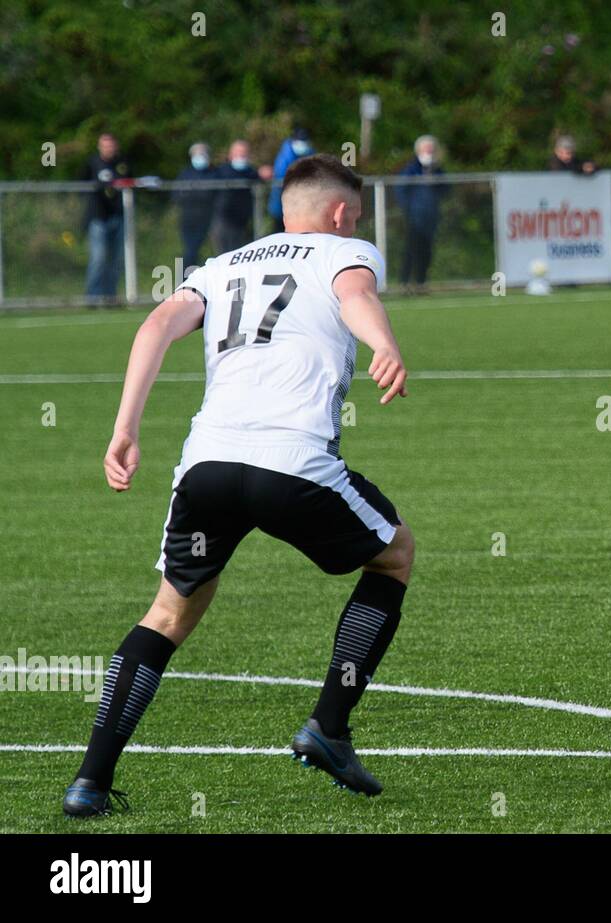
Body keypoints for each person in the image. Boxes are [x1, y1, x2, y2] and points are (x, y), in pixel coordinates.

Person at [62, 154, 414, 817]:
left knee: (168, 612)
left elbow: (155, 325)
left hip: (208, 465)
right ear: (340, 215)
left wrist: (125, 428)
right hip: (293, 461)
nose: (357, 225)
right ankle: (328, 728)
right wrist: (383, 343)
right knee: (394, 554)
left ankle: (89, 781)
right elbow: (356, 296)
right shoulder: (343, 250)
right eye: (356, 216)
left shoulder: (223, 264)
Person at [81, 133, 130, 301]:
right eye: (105, 145)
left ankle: (110, 296)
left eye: (111, 145)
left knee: (116, 258)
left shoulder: (122, 162)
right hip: (98, 217)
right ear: (99, 147)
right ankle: (93, 296)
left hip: (118, 216)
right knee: (99, 257)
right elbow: (82, 184)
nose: (109, 148)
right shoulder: (92, 162)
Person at [394, 135, 445, 286]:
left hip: (431, 216)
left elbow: (446, 188)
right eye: (426, 148)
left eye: (431, 149)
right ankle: (404, 282)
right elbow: (401, 190)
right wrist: (408, 208)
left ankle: (421, 282)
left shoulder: (437, 170)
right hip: (414, 217)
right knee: (411, 249)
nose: (429, 152)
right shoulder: (411, 169)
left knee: (427, 250)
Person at [173, 142, 217, 275]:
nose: (200, 157)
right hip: (189, 218)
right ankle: (185, 281)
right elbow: (176, 195)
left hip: (209, 218)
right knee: (190, 251)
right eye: (197, 154)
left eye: (202, 154)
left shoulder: (214, 173)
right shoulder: (185, 173)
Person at [211, 140, 262, 253]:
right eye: (238, 153)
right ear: (231, 155)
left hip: (243, 221)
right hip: (224, 219)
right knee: (223, 253)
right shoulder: (222, 171)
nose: (241, 157)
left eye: (244, 154)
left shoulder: (251, 172)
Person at [268, 128, 314, 233]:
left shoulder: (310, 152)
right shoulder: (285, 155)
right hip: (281, 206)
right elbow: (280, 175)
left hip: (304, 206)